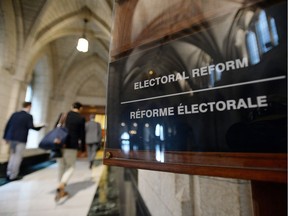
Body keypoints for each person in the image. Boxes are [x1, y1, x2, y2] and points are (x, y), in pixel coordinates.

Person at [3, 101, 45, 181]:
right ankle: (13, 175)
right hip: (21, 139)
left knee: (12, 156)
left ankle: (9, 173)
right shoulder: (28, 116)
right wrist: (41, 126)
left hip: (12, 138)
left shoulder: (15, 114)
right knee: (18, 157)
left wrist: (5, 137)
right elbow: (31, 126)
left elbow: (7, 125)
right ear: (29, 106)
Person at [55, 102, 86, 202]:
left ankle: (61, 190)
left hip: (59, 144)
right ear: (80, 108)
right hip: (71, 146)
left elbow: (55, 129)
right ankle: (62, 184)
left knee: (61, 167)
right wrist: (83, 149)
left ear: (72, 107)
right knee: (71, 166)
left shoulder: (63, 115)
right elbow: (82, 135)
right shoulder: (81, 118)